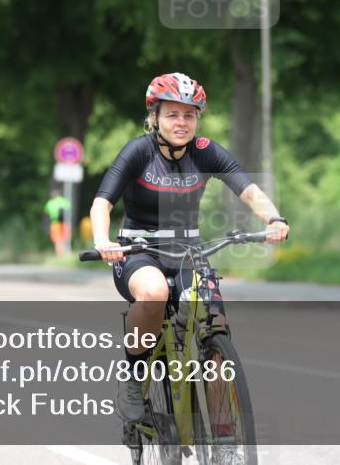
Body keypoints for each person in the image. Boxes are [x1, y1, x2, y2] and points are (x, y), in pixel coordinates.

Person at [90, 72, 289, 423]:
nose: (181, 122)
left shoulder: (205, 152)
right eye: (172, 114)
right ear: (155, 117)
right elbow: (102, 203)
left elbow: (248, 190)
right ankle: (135, 376)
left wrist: (273, 219)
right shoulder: (138, 151)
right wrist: (102, 241)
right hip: (138, 252)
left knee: (215, 324)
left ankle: (224, 435)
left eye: (189, 115)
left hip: (187, 252)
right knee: (153, 293)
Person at [44, 188, 71, 257]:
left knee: (57, 240)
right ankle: (64, 254)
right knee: (64, 239)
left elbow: (46, 211)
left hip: (55, 223)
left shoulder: (50, 202)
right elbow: (68, 208)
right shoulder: (64, 201)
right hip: (64, 223)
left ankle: (59, 255)